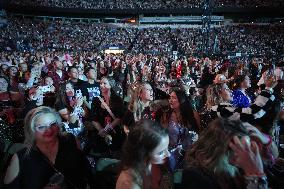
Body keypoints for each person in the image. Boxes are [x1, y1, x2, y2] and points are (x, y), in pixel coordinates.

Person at [3, 106, 93, 189]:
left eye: (53, 124)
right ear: (32, 130)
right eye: (41, 127)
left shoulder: (70, 140)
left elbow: (87, 174)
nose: (49, 130)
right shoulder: (21, 158)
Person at [182, 118, 269, 189]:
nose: (246, 154)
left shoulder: (239, 167)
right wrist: (254, 177)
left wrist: (265, 140)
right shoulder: (195, 176)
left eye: (246, 147)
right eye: (239, 148)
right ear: (218, 149)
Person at [116, 119, 170, 189]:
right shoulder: (129, 185)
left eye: (167, 147)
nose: (168, 154)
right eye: (160, 152)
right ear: (142, 153)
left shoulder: (148, 164)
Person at [157, 88, 199, 171]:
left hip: (189, 156)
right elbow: (162, 135)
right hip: (170, 156)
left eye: (174, 98)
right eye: (170, 97)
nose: (170, 100)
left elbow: (198, 133)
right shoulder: (166, 115)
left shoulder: (193, 114)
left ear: (182, 100)